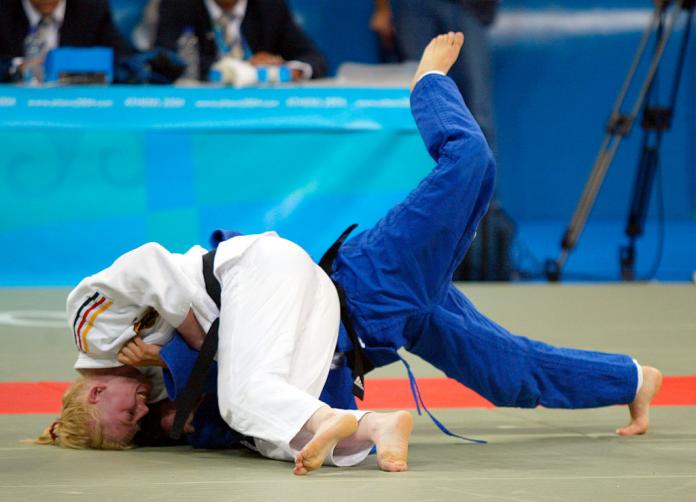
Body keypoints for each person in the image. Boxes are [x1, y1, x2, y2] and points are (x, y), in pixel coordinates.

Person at [40, 32, 662, 466]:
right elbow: (219, 413)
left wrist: (177, 335)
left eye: (124, 416)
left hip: (365, 284)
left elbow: (166, 292)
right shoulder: (159, 408)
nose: (139, 413)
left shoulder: (113, 337)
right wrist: (174, 414)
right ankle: (633, 379)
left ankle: (427, 85)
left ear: (96, 393)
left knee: (468, 162)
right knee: (509, 376)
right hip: (378, 334)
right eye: (135, 425)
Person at [370, 0, 497, 150]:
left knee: (477, 109)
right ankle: (417, 170)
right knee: (418, 106)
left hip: (468, 7)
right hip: (415, 7)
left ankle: (481, 173)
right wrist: (382, 9)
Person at [154, 0, 328, 82]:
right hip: (200, 108)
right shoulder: (178, 4)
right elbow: (166, 59)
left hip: (260, 109)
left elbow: (313, 57)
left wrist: (289, 71)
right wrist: (243, 70)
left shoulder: (270, 6)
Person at [0, 0, 133, 82]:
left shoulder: (92, 8)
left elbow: (124, 60)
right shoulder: (4, 11)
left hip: (76, 101)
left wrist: (80, 68)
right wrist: (16, 67)